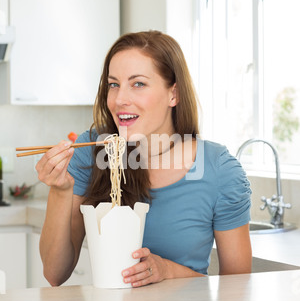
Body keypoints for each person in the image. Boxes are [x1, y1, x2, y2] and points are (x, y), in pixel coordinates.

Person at [37, 30, 252, 287]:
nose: (119, 100)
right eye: (113, 84)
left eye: (138, 84)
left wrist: (169, 271)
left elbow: (238, 288)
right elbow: (54, 273)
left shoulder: (219, 170)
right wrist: (60, 190)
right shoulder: (94, 150)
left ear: (174, 94)